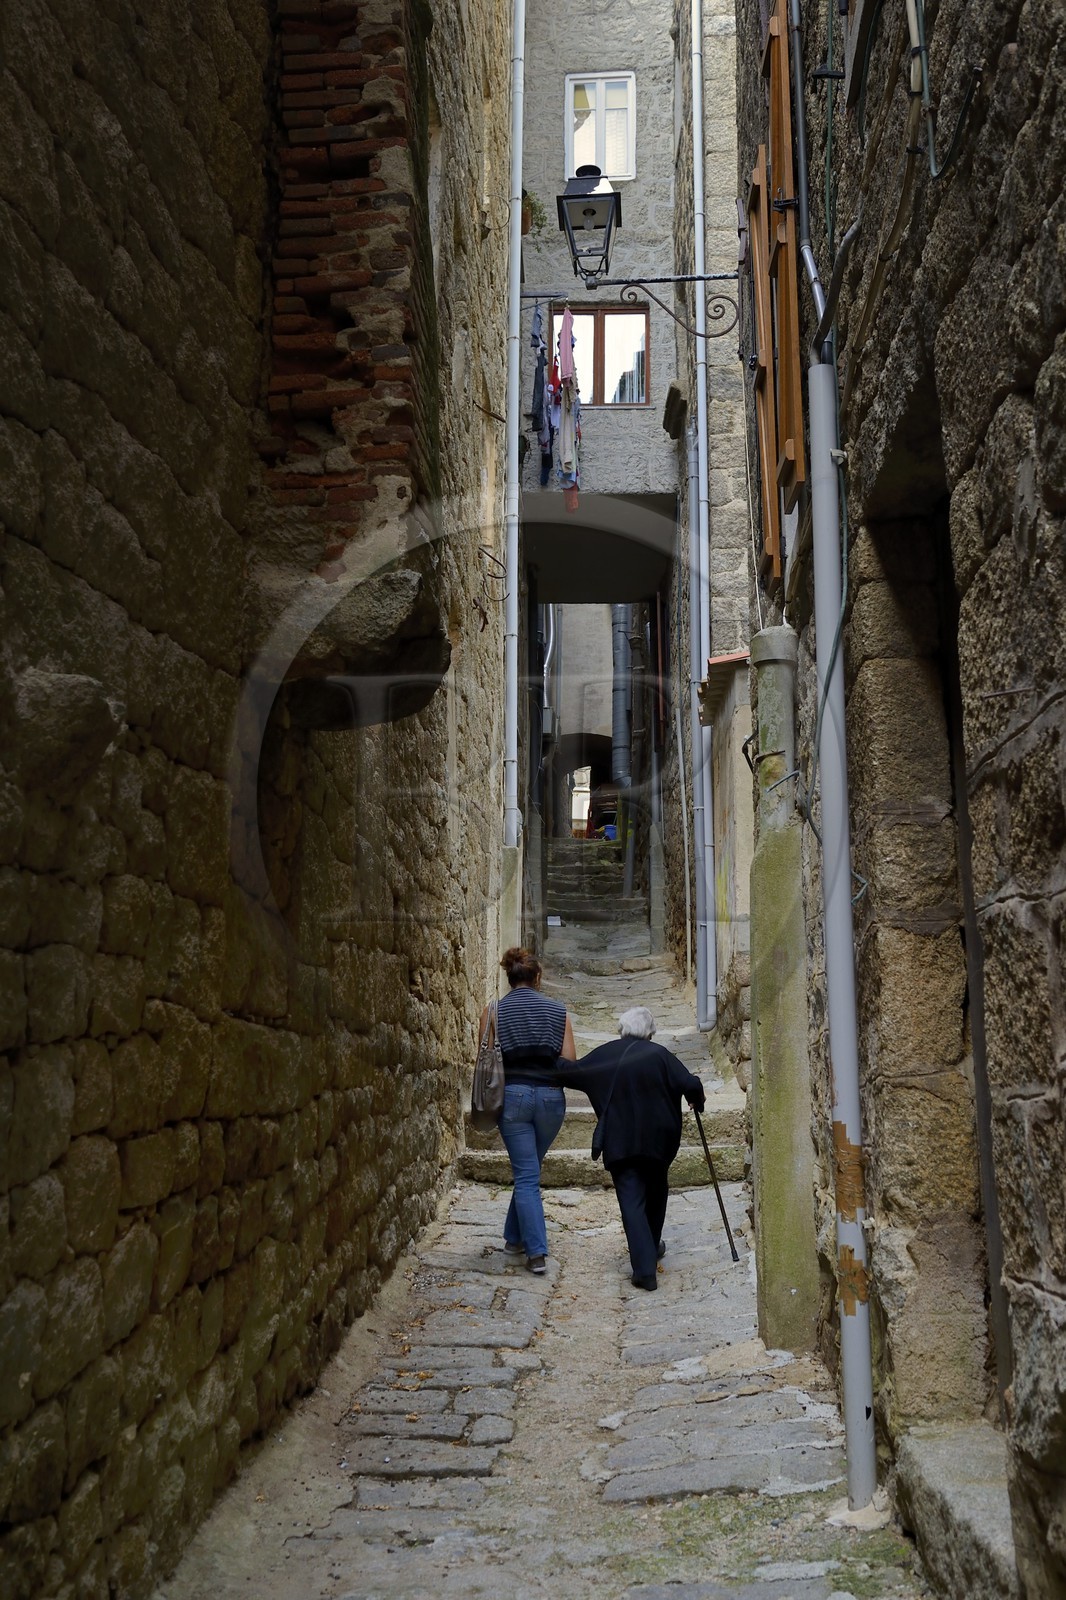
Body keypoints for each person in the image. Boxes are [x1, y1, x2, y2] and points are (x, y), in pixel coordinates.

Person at [557, 1006, 704, 1291]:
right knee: (657, 1192)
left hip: (621, 1141)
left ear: (621, 1030)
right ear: (650, 1033)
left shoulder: (605, 1055)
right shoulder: (660, 1055)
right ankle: (650, 1249)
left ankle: (645, 1268)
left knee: (632, 1202)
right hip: (660, 1141)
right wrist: (697, 1098)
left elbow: (569, 1071)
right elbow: (690, 1083)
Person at [480, 947, 576, 1274]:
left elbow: (486, 1062)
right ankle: (513, 1238)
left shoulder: (492, 1012)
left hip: (514, 1098)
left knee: (525, 1174)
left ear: (509, 978)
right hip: (551, 1099)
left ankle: (536, 1253)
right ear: (537, 978)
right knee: (530, 1170)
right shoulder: (558, 1011)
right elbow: (569, 1063)